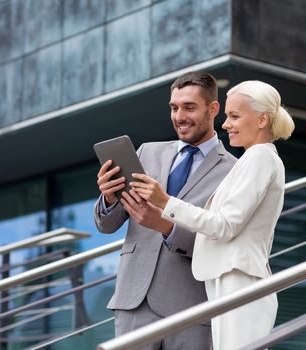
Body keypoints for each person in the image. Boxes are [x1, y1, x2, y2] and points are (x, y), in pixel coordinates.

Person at [130, 80, 295, 350]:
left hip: (239, 278)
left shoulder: (260, 158)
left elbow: (225, 225)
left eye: (234, 116)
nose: (226, 124)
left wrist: (166, 201)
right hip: (229, 277)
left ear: (262, 119)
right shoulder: (252, 159)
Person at [94, 71, 237, 349]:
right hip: (133, 303)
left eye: (189, 107)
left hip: (191, 309)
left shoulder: (234, 172)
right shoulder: (147, 152)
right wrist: (109, 198)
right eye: (174, 107)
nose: (179, 116)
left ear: (213, 109)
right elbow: (107, 225)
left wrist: (166, 226)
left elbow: (224, 239)